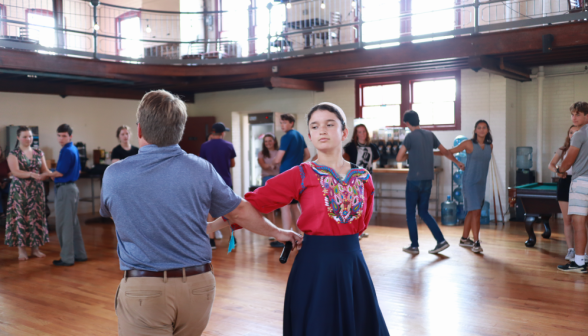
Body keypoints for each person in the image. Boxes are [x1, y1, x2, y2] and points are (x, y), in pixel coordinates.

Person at [100, 89, 302, 335]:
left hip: (144, 289)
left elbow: (112, 213)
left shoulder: (115, 174)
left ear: (140, 130)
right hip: (198, 288)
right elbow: (238, 211)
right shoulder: (201, 169)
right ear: (180, 130)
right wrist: (278, 232)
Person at [245, 102, 389, 336]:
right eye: (315, 126)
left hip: (353, 267)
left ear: (343, 132)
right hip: (314, 267)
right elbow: (249, 204)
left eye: (329, 124)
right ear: (310, 135)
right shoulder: (300, 174)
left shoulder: (363, 178)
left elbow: (361, 225)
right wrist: (211, 225)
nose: (322, 130)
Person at [396, 110, 464, 255]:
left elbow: (399, 158)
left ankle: (414, 246)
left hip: (414, 180)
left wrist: (410, 154)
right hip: (428, 180)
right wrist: (457, 162)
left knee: (410, 214)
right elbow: (445, 152)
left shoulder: (409, 137)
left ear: (407, 123)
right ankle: (441, 241)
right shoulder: (430, 135)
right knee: (423, 212)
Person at [44, 124, 88, 267]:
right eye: (59, 135)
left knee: (64, 225)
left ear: (70, 136)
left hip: (65, 190)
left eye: (64, 136)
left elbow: (60, 173)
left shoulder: (66, 151)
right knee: (73, 224)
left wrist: (46, 175)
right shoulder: (73, 149)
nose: (61, 138)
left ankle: (67, 258)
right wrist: (54, 174)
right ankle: (80, 254)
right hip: (72, 189)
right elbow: (76, 170)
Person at [446, 120, 493, 253]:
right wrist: (457, 162)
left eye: (484, 128)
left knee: (472, 211)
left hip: (481, 183)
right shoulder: (469, 144)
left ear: (488, 130)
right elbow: (450, 152)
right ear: (475, 130)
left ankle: (464, 239)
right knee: (476, 211)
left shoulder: (490, 146)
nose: (482, 130)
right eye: (479, 127)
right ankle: (476, 242)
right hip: (469, 182)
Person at [4, 126, 50, 261]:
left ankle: (35, 249)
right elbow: (16, 172)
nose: (28, 139)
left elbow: (45, 170)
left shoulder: (39, 153)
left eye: (30, 136)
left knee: (35, 217)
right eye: (25, 136)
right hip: (20, 191)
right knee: (21, 218)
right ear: (18, 138)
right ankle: (21, 250)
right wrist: (31, 174)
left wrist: (48, 175)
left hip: (36, 191)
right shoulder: (13, 154)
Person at [556, 101, 588, 273]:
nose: (574, 117)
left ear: (587, 116)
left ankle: (580, 262)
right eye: (573, 114)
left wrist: (560, 171)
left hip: (581, 182)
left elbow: (569, 160)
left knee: (578, 223)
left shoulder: (579, 134)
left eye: (578, 114)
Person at [272, 113, 310, 248]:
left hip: (286, 175)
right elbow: (308, 154)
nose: (282, 125)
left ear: (291, 123)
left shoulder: (286, 137)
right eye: (281, 123)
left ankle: (286, 238)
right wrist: (297, 163)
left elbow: (277, 159)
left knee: (285, 206)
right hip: (297, 174)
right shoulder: (299, 135)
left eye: (284, 123)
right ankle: (301, 236)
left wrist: (275, 162)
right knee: (294, 205)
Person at [200, 122, 237, 248]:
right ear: (222, 133)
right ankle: (233, 238)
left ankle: (212, 240)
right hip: (225, 181)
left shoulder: (204, 146)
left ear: (212, 132)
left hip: (208, 181)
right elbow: (233, 164)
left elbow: (202, 164)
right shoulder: (228, 145)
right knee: (230, 209)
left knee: (209, 210)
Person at [549, 125, 579, 261]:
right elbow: (551, 164)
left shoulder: (584, 149)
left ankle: (582, 252)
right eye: (571, 132)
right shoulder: (563, 150)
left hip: (580, 183)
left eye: (576, 132)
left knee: (580, 221)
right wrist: (558, 172)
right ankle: (571, 250)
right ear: (568, 135)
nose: (573, 134)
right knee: (567, 220)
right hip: (565, 183)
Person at [257, 133, 279, 226]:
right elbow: (263, 166)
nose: (268, 143)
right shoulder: (261, 153)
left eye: (270, 140)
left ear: (274, 141)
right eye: (266, 141)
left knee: (285, 205)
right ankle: (272, 226)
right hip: (267, 179)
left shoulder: (279, 152)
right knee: (269, 204)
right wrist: (271, 165)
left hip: (279, 178)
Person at [0, 145, 11, 217]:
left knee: (14, 188)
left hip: (6, 183)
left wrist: (5, 182)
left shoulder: (5, 161)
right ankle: (1, 213)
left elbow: (10, 173)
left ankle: (13, 212)